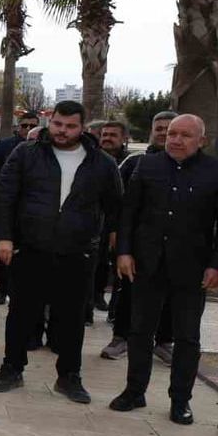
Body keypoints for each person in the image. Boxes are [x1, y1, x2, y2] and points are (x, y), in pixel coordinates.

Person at [0, 100, 121, 404]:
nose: (63, 131)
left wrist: (113, 247)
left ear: (83, 127)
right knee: (21, 313)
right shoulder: (27, 153)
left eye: (71, 126)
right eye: (58, 124)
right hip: (30, 248)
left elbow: (115, 209)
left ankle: (69, 377)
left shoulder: (101, 163)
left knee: (72, 319)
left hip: (77, 253)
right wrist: (4, 238)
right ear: (51, 121)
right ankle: (11, 369)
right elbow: (5, 197)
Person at [110, 114, 218, 425]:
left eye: (185, 135)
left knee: (187, 338)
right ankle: (134, 391)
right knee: (140, 331)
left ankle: (181, 400)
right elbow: (129, 212)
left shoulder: (214, 171)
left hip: (192, 269)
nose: (176, 140)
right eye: (172, 133)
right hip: (147, 264)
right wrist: (124, 252)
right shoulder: (148, 166)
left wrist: (215, 264)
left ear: (201, 140)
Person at [102, 111, 178, 360]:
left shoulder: (197, 168)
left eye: (170, 128)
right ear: (152, 132)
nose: (165, 133)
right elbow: (117, 201)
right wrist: (115, 233)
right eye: (160, 128)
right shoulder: (135, 163)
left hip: (177, 246)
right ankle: (121, 337)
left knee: (171, 297)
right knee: (128, 292)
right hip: (137, 244)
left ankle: (164, 341)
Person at [0, 111, 41, 305]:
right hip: (7, 209)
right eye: (24, 125)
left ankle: (19, 291)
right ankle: (1, 289)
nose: (28, 129)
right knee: (1, 251)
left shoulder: (46, 149)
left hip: (32, 214)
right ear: (18, 126)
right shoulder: (4, 146)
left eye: (32, 125)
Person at [87, 120, 129, 320]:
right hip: (92, 224)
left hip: (113, 224)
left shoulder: (128, 162)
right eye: (104, 135)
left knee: (106, 265)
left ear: (123, 139)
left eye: (113, 135)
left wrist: (115, 229)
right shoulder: (91, 159)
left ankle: (103, 300)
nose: (107, 139)